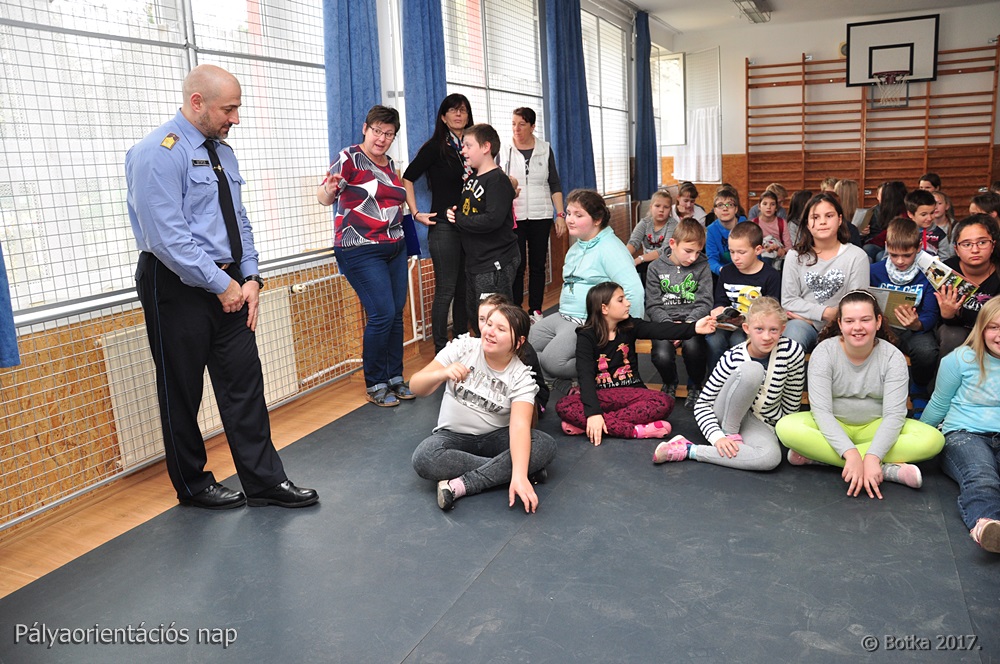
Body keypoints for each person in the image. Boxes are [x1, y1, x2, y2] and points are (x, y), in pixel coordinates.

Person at [125, 64, 318, 509]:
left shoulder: (223, 153)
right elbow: (166, 239)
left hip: (228, 280)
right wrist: (221, 284)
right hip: (175, 285)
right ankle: (192, 485)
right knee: (182, 391)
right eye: (228, 109)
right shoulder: (157, 152)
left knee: (244, 384)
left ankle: (265, 482)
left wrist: (250, 277)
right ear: (197, 102)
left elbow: (238, 219)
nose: (236, 118)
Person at [775, 291, 945, 499]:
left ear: (878, 321)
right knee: (786, 428)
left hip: (876, 427)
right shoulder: (824, 352)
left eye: (865, 320)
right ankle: (885, 469)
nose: (857, 327)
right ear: (840, 323)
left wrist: (873, 456)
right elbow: (821, 412)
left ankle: (823, 458)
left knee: (933, 440)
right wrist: (851, 453)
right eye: (849, 321)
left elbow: (894, 415)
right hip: (832, 425)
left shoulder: (892, 357)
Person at [410, 304, 557, 512]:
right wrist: (442, 373)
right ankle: (512, 471)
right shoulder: (463, 347)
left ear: (519, 342)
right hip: (452, 436)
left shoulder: (521, 375)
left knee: (544, 444)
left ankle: (463, 484)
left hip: (496, 437)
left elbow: (519, 426)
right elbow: (415, 386)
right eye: (489, 324)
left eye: (501, 329)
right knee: (425, 456)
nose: (490, 332)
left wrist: (518, 475)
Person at [318, 105, 411, 407]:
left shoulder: (390, 163)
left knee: (395, 314)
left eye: (389, 134)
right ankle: (375, 382)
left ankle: (395, 377)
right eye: (377, 131)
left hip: (395, 245)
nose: (382, 139)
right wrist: (329, 190)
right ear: (365, 129)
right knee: (381, 313)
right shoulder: (348, 158)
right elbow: (323, 197)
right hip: (360, 248)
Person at [655, 297, 805, 471]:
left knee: (771, 458)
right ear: (747, 329)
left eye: (773, 330)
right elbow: (703, 405)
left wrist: (787, 435)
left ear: (782, 330)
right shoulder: (733, 357)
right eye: (759, 329)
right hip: (725, 414)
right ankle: (730, 434)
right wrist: (717, 437)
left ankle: (688, 449)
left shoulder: (792, 351)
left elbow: (791, 398)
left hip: (759, 423)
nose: (766, 337)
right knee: (752, 370)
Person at [557, 282, 715, 445]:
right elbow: (585, 375)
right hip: (602, 396)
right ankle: (636, 430)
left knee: (664, 402)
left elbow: (660, 329)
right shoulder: (586, 336)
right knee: (563, 405)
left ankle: (594, 425)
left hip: (632, 393)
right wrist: (593, 412)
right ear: (604, 308)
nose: (628, 303)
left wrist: (694, 327)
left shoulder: (630, 326)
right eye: (621, 300)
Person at [529, 189, 643, 381]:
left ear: (597, 220)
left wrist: (627, 332)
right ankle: (566, 381)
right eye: (568, 213)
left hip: (589, 321)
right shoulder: (577, 246)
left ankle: (607, 366)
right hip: (564, 315)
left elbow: (634, 291)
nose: (570, 220)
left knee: (552, 362)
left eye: (578, 215)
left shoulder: (611, 248)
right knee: (524, 347)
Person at [921, 297, 1000, 553]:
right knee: (981, 475)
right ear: (982, 329)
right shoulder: (960, 360)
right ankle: (987, 524)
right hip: (964, 435)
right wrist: (918, 439)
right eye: (994, 327)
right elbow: (938, 404)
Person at [403, 94, 474, 352]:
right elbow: (407, 177)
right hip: (443, 226)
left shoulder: (472, 146)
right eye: (453, 110)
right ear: (443, 117)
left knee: (464, 286)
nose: (458, 114)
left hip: (469, 225)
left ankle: (462, 340)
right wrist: (415, 212)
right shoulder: (435, 147)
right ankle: (441, 348)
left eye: (463, 110)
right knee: (446, 288)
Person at [446, 123, 519, 326]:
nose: (463, 151)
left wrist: (459, 219)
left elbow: (492, 219)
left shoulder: (497, 180)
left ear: (486, 147)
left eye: (468, 146)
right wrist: (453, 212)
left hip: (494, 261)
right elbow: (468, 210)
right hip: (476, 261)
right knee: (477, 316)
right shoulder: (471, 178)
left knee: (496, 319)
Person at [781, 192, 869, 354]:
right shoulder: (794, 256)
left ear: (840, 219)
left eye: (829, 216)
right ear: (807, 223)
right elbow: (789, 301)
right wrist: (825, 313)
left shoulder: (857, 256)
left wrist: (816, 319)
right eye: (815, 217)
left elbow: (856, 305)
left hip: (843, 326)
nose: (822, 222)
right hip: (803, 324)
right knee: (791, 341)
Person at [501, 107, 566, 320]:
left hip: (541, 215)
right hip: (515, 216)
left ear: (532, 126)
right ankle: (516, 311)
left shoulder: (545, 149)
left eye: (522, 124)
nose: (516, 129)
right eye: (513, 124)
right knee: (517, 265)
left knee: (538, 264)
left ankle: (536, 310)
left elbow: (554, 183)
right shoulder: (505, 149)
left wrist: (560, 215)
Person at [645, 217, 713, 407]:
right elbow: (653, 305)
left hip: (692, 322)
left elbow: (705, 301)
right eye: (688, 251)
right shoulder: (655, 268)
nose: (693, 258)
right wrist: (670, 327)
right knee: (662, 354)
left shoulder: (702, 266)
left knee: (695, 349)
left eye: (698, 252)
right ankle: (669, 382)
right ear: (673, 243)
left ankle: (695, 385)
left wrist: (685, 327)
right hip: (664, 323)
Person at [869, 217, 940, 395]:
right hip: (882, 327)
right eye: (894, 255)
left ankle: (919, 388)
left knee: (926, 352)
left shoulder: (928, 273)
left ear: (918, 248)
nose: (900, 261)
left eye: (907, 255)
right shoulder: (874, 271)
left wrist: (918, 324)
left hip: (915, 330)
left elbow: (931, 313)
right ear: (886, 247)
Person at [705, 221, 782, 372]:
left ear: (758, 249)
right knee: (713, 340)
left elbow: (773, 309)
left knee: (739, 341)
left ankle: (744, 379)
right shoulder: (727, 272)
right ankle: (716, 379)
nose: (735, 258)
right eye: (732, 252)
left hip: (754, 326)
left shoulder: (770, 275)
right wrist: (718, 309)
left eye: (741, 252)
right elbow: (720, 299)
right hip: (728, 324)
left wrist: (747, 320)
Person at [936, 214, 1000, 358]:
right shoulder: (945, 271)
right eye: (966, 244)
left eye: (982, 242)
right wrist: (948, 315)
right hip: (956, 331)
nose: (975, 250)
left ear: (993, 245)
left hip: (993, 332)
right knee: (952, 335)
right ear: (956, 249)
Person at [478, 294, 549, 418]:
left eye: (500, 327)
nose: (487, 328)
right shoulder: (477, 344)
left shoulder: (524, 352)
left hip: (529, 397)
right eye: (484, 320)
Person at [628, 189, 677, 284]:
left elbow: (665, 250)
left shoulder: (673, 225)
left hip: (666, 266)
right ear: (651, 207)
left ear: (670, 210)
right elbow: (633, 243)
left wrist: (641, 258)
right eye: (657, 206)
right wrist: (624, 257)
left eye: (666, 207)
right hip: (646, 265)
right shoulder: (644, 223)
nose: (661, 210)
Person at [863, 180, 907, 261]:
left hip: (898, 246)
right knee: (868, 249)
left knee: (880, 256)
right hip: (883, 243)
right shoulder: (876, 210)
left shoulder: (904, 214)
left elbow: (887, 235)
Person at [705, 188, 743, 275]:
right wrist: (722, 270)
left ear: (736, 209)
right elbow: (711, 258)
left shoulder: (746, 226)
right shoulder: (711, 230)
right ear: (715, 211)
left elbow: (754, 255)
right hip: (723, 272)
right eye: (720, 205)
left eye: (730, 204)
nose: (725, 208)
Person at [751, 191, 791, 266]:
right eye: (765, 204)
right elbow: (751, 247)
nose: (768, 207)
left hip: (779, 257)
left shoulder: (782, 223)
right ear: (759, 206)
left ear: (776, 208)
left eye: (772, 204)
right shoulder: (754, 223)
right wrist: (765, 250)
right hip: (761, 257)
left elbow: (789, 246)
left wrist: (782, 250)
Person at [930, 190, 955, 260]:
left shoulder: (955, 226)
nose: (935, 207)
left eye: (939, 203)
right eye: (932, 203)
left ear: (947, 206)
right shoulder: (923, 227)